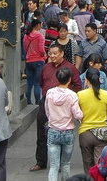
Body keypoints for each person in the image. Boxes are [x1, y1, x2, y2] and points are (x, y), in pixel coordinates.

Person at [30, 43, 82, 173]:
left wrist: (67, 96)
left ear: (62, 53)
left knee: (61, 132)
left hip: (65, 105)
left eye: (55, 53)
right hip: (47, 102)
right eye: (50, 53)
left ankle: (59, 163)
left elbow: (78, 85)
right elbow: (42, 83)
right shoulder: (46, 67)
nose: (52, 56)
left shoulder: (70, 68)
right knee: (42, 133)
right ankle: (41, 161)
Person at [45, 66, 83, 181]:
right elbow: (78, 115)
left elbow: (47, 110)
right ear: (69, 79)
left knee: (54, 165)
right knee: (66, 163)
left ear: (57, 78)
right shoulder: (72, 95)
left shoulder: (50, 93)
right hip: (68, 131)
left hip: (53, 130)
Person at [78, 68, 107, 176]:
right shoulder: (106, 94)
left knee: (87, 164)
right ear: (100, 79)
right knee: (100, 165)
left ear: (86, 80)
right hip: (102, 134)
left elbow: (77, 114)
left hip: (85, 133)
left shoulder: (80, 95)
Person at [24, 19, 47, 105]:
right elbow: (41, 49)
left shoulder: (26, 35)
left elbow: (25, 47)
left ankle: (28, 101)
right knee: (37, 84)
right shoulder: (40, 36)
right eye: (40, 24)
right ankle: (37, 102)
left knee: (29, 83)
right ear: (37, 25)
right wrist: (44, 55)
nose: (41, 26)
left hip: (29, 60)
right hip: (38, 60)